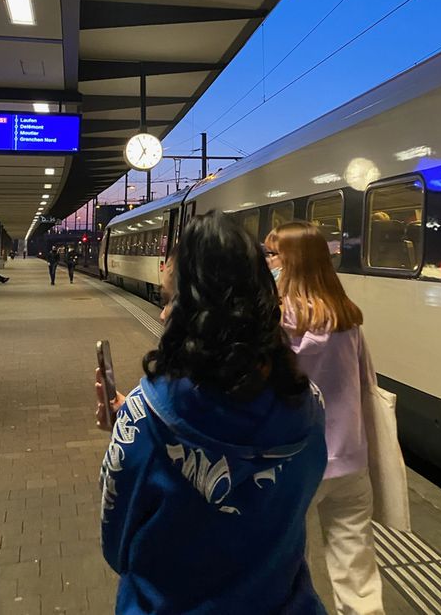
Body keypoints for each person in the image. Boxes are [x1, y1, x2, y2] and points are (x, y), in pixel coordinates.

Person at [95, 211, 327, 615]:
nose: (163, 314)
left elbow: (117, 548)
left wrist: (129, 428)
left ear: (191, 313)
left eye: (170, 302)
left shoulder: (143, 417)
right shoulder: (309, 405)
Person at [267, 221, 385, 615]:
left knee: (280, 565)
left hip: (296, 463)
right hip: (351, 460)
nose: (269, 264)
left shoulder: (278, 321)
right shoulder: (346, 317)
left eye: (273, 256)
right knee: (357, 573)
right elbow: (366, 383)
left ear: (291, 261)